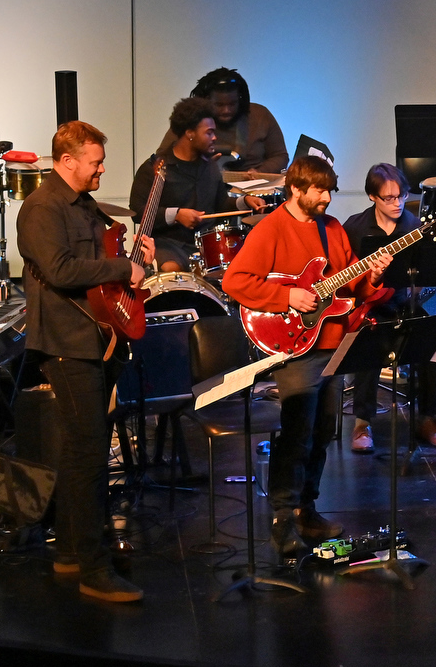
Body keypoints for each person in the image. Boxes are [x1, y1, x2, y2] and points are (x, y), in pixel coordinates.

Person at [222, 155, 391, 558]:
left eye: (330, 189)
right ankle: (282, 518)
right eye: (319, 190)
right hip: (296, 346)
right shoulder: (270, 229)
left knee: (323, 433)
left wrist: (374, 275)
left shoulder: (332, 228)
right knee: (297, 431)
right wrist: (286, 296)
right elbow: (234, 281)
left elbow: (350, 285)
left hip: (332, 341)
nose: (328, 197)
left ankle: (306, 509)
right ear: (295, 189)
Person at [16, 120, 154, 602]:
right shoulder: (41, 208)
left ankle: (72, 553)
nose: (101, 169)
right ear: (67, 160)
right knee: (90, 454)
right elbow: (59, 269)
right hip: (64, 341)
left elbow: (104, 258)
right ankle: (93, 567)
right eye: (94, 161)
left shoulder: (84, 205)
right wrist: (122, 267)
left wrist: (138, 255)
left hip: (92, 338)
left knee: (82, 453)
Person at [342, 164, 436, 454]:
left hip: (404, 304)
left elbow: (426, 273)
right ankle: (362, 423)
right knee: (366, 341)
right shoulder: (354, 227)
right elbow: (344, 274)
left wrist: (417, 284)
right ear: (372, 197)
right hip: (370, 308)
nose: (397, 203)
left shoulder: (414, 227)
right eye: (388, 198)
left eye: (401, 195)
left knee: (433, 339)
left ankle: (428, 420)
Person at [131, 96, 264, 272]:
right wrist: (176, 215)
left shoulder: (210, 166)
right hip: (167, 243)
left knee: (241, 268)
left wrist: (245, 201)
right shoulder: (155, 167)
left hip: (204, 244)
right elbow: (137, 212)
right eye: (209, 132)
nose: (215, 137)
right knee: (172, 268)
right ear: (190, 133)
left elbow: (221, 204)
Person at [157, 67, 288, 174]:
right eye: (219, 105)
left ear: (240, 100)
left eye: (232, 104)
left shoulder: (260, 115)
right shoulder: (192, 120)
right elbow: (163, 157)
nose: (226, 110)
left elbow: (280, 156)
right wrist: (200, 167)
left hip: (253, 190)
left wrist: (259, 172)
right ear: (206, 101)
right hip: (205, 187)